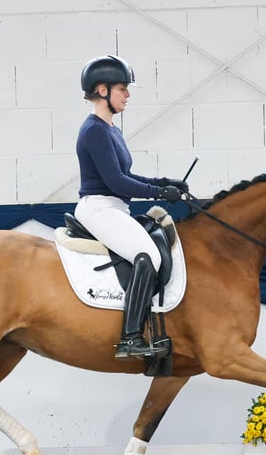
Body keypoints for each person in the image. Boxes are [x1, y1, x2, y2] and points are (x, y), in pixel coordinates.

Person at [74, 55, 188, 360]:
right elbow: (116, 182)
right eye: (122, 88)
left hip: (114, 207)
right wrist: (158, 192)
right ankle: (130, 337)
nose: (127, 94)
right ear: (102, 90)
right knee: (148, 255)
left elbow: (126, 176)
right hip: (99, 207)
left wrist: (165, 181)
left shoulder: (112, 130)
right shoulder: (95, 131)